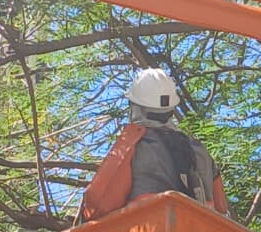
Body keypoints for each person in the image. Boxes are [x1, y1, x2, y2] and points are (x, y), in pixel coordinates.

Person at [80, 68, 229, 222]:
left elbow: (98, 206)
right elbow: (222, 213)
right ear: (171, 109)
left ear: (136, 108)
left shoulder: (133, 144)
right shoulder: (200, 150)